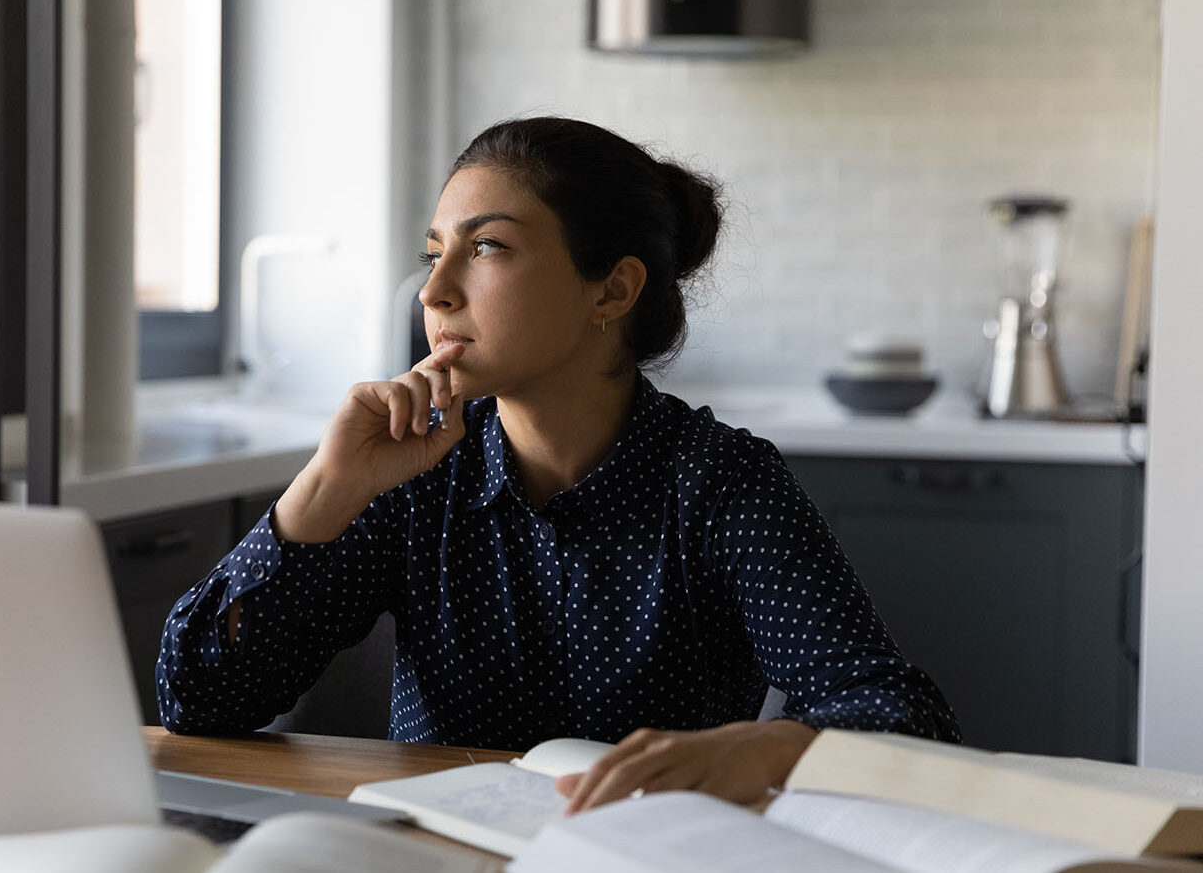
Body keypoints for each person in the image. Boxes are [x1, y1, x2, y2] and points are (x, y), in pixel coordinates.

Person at [156, 116, 959, 814]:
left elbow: (902, 715)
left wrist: (760, 749)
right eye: (435, 253)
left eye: (488, 247)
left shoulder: (721, 483)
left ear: (611, 290)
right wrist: (325, 489)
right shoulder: (412, 476)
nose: (434, 290)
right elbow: (197, 701)